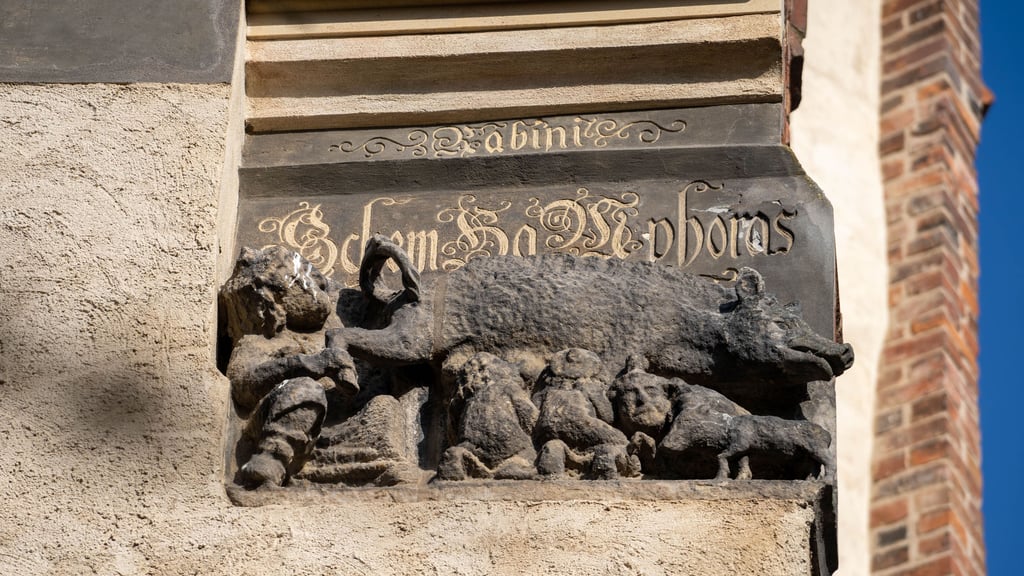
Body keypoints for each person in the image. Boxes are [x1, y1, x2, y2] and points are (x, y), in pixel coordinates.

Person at [220, 246, 357, 487]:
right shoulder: (258, 342)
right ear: (273, 300)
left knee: (384, 405)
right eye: (301, 276)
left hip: (325, 425)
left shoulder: (334, 330)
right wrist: (303, 364)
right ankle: (271, 460)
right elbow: (241, 385)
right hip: (276, 421)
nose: (318, 281)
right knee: (304, 389)